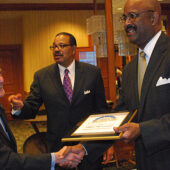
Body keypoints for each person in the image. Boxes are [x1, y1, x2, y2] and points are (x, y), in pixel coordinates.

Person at [8, 32, 113, 169]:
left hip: (88, 145)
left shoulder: (92, 73)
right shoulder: (42, 76)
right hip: (58, 148)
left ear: (74, 49)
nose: (57, 50)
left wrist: (107, 144)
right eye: (54, 47)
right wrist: (19, 108)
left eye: (62, 46)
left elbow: (101, 111)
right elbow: (31, 107)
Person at [112, 0, 170, 169]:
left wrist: (143, 130)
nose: (127, 23)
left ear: (153, 18)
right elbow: (123, 114)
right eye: (125, 18)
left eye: (133, 16)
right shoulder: (130, 69)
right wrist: (84, 147)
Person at [0, 68, 83, 170]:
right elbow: (5, 159)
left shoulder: (91, 72)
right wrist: (56, 158)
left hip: (86, 144)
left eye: (0, 73)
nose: (1, 79)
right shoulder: (42, 76)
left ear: (73, 51)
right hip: (55, 144)